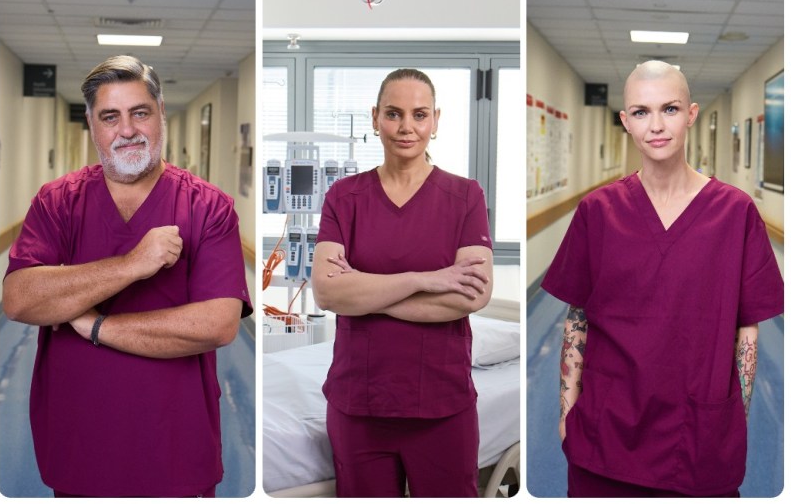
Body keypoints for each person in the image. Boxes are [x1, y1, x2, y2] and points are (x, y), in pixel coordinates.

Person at [2, 55, 253, 498]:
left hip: (174, 445)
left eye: (140, 112)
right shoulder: (58, 203)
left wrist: (93, 323)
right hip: (79, 441)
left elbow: (218, 324)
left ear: (160, 113)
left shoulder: (208, 207)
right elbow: (20, 299)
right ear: (92, 124)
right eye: (110, 117)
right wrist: (132, 264)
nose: (128, 130)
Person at [542, 60, 783, 497]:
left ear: (691, 114)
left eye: (669, 109)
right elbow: (577, 317)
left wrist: (734, 421)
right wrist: (567, 411)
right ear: (626, 122)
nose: (656, 125)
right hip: (605, 434)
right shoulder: (598, 212)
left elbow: (747, 329)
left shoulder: (735, 212)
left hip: (697, 438)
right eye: (640, 112)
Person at [311, 68, 494, 497]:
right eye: (393, 114)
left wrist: (363, 291)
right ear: (375, 118)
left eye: (419, 114)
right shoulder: (344, 196)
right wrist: (424, 279)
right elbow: (326, 292)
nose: (406, 127)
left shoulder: (466, 196)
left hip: (441, 406)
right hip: (359, 405)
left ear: (435, 120)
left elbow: (470, 295)